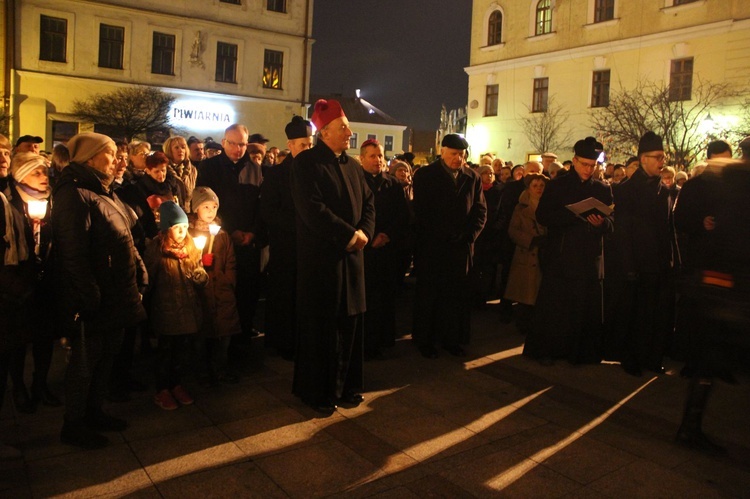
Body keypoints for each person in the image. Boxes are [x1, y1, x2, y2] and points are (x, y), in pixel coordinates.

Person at [52, 132, 147, 449]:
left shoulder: (106, 191)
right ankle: (74, 423)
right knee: (85, 363)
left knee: (107, 356)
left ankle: (95, 411)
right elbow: (73, 252)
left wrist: (140, 269)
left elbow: (125, 237)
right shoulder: (74, 194)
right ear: (89, 158)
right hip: (95, 297)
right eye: (109, 154)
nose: (117, 160)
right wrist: (88, 294)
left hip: (116, 292)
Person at [289, 99, 375, 413]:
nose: (350, 132)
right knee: (322, 328)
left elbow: (368, 203)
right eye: (343, 127)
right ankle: (318, 392)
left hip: (352, 258)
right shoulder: (306, 163)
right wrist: (348, 235)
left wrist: (364, 230)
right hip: (322, 260)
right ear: (324, 132)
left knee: (350, 324)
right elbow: (313, 209)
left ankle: (348, 386)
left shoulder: (353, 166)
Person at [523, 137, 613, 365]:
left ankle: (580, 353)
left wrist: (600, 223)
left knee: (583, 309)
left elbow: (612, 224)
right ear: (574, 161)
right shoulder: (557, 185)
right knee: (556, 308)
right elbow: (543, 216)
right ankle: (548, 351)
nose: (588, 169)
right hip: (561, 257)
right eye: (584, 164)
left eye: (592, 166)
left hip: (588, 258)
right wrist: (572, 215)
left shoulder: (602, 189)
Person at [412, 134, 487, 358]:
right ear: (442, 151)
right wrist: (441, 234)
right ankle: (426, 340)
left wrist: (469, 236)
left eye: (462, 155)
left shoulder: (471, 177)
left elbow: (480, 211)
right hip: (433, 248)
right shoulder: (426, 175)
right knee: (430, 295)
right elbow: (422, 211)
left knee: (455, 297)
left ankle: (452, 339)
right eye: (454, 154)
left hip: (461, 248)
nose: (458, 159)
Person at [611, 132, 677, 376]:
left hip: (660, 263)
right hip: (637, 264)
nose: (662, 161)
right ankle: (632, 359)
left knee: (656, 315)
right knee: (635, 314)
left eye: (663, 157)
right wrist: (629, 265)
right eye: (657, 157)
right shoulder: (626, 190)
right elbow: (623, 231)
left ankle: (652, 357)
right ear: (643, 159)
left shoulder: (665, 191)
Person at [196, 124, 264, 352]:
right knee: (222, 292)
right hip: (220, 241)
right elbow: (206, 205)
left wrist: (252, 231)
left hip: (248, 241)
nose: (237, 149)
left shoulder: (255, 168)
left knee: (247, 292)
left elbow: (259, 205)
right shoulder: (208, 168)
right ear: (224, 142)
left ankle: (242, 342)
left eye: (242, 144)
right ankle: (216, 346)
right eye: (233, 143)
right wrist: (231, 230)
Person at [4, 153, 61, 414]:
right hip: (18, 284)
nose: (44, 178)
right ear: (20, 175)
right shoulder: (10, 204)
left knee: (45, 336)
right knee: (18, 339)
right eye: (36, 173)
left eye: (45, 173)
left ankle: (40, 383)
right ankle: (18, 386)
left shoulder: (54, 203)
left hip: (47, 280)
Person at [145, 201, 208, 410]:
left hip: (187, 308)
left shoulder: (190, 246)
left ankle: (176, 384)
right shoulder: (156, 249)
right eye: (177, 228)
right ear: (167, 228)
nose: (182, 232)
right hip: (166, 310)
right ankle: (162, 389)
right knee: (165, 351)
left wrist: (201, 274)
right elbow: (148, 278)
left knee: (182, 351)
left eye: (184, 227)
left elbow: (198, 274)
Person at [260, 115, 314, 360]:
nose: (307, 149)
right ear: (290, 145)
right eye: (303, 145)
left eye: (310, 144)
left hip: (310, 247)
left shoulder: (318, 171)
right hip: (286, 246)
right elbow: (269, 212)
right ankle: (284, 342)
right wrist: (299, 225)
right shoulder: (276, 175)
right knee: (285, 295)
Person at [359, 139, 409, 359]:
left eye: (380, 156)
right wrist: (371, 238)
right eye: (372, 156)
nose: (378, 160)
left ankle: (384, 337)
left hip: (387, 248)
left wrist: (387, 235)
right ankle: (366, 342)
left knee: (385, 296)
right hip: (364, 250)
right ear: (362, 158)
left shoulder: (393, 184)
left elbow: (402, 216)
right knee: (366, 297)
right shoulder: (356, 181)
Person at [189, 187, 241, 383]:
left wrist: (228, 281)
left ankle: (221, 368)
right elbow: (189, 263)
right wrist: (201, 262)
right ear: (196, 209)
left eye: (214, 207)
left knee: (224, 334)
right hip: (202, 292)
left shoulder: (222, 235)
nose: (211, 211)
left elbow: (231, 261)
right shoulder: (190, 233)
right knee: (201, 336)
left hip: (222, 292)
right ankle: (201, 371)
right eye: (205, 206)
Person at [504, 173, 547, 335]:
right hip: (526, 254)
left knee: (538, 293)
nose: (539, 189)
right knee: (525, 294)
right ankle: (523, 324)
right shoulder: (521, 208)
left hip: (543, 255)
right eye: (535, 186)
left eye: (542, 186)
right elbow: (513, 230)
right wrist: (530, 240)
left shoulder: (548, 205)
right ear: (528, 188)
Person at [469, 165, 504, 308]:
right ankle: (473, 295)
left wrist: (496, 226)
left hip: (491, 235)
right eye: (485, 173)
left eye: (491, 173)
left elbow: (501, 212)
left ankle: (484, 295)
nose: (489, 176)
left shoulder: (497, 192)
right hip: (477, 235)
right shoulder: (475, 189)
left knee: (488, 267)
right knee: (475, 267)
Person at [163, 136, 196, 211]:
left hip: (188, 211)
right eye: (176, 147)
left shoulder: (192, 169)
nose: (181, 150)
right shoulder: (163, 168)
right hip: (171, 211)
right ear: (169, 150)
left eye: (183, 147)